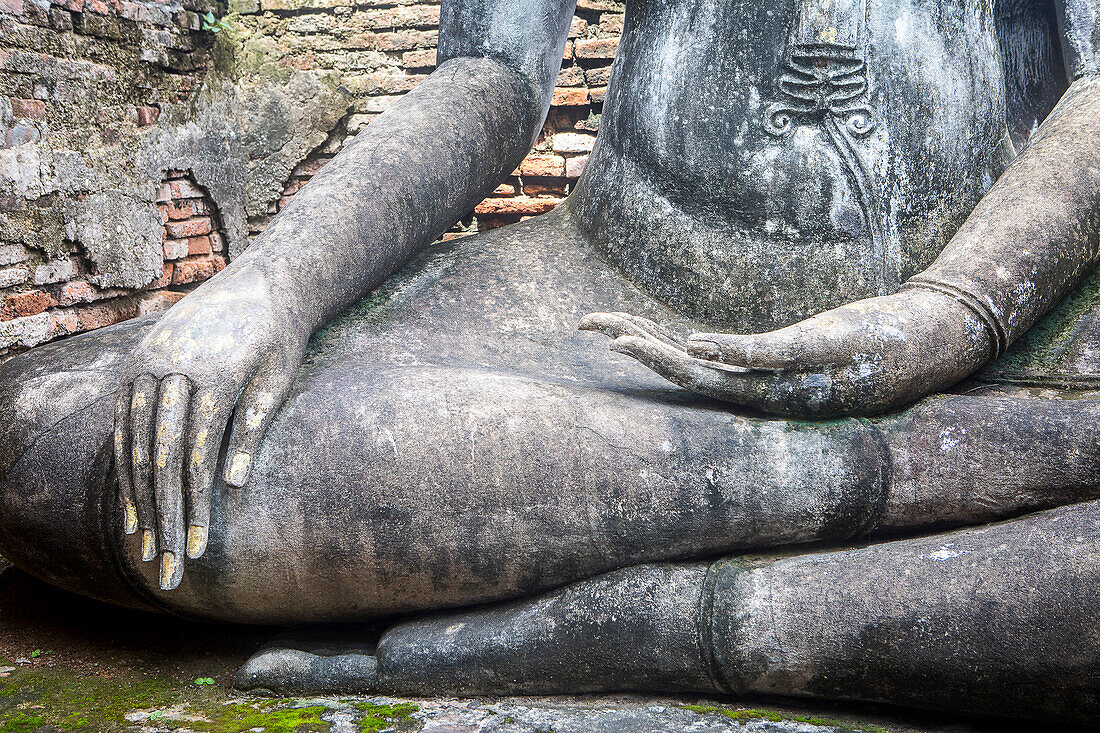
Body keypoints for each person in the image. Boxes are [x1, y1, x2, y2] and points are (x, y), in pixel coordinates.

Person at [1, 0, 1099, 720]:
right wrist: (272, 283)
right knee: (93, 449)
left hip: (1007, 290)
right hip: (606, 293)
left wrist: (950, 314)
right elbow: (490, 70)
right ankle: (921, 469)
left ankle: (663, 626)